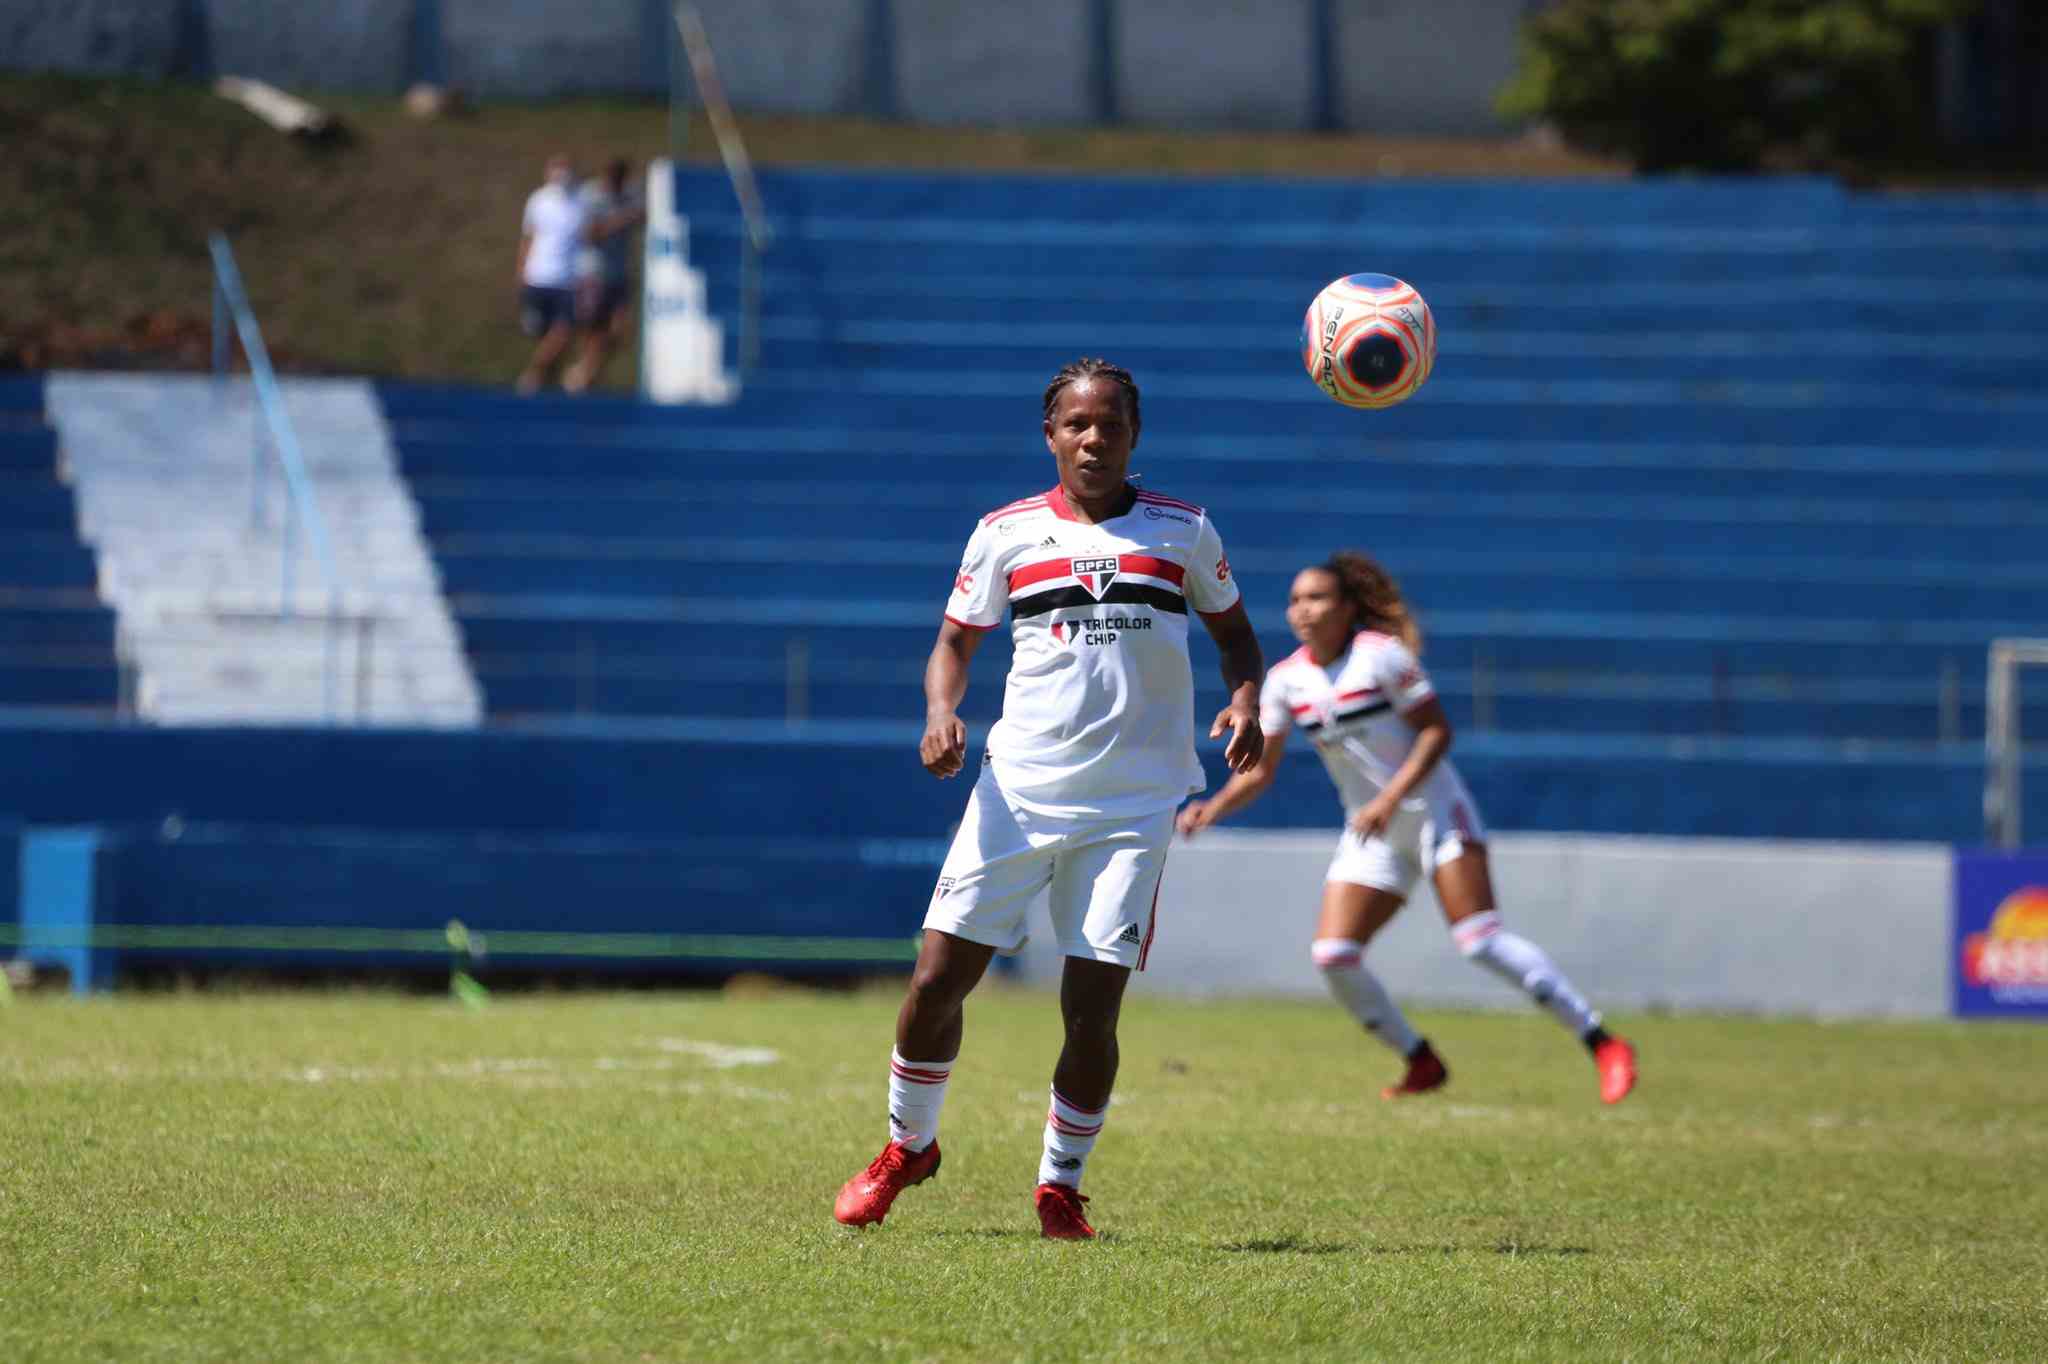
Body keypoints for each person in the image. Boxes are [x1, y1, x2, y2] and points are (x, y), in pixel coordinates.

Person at [833, 358, 1266, 1240]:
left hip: (1135, 804)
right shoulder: (1005, 533)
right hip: (1019, 790)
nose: (1094, 438)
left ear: (1134, 435)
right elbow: (953, 643)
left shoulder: (1185, 533)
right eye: (1076, 424)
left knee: (1091, 1007)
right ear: (1051, 435)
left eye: (1110, 423)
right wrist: (941, 712)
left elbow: (1239, 643)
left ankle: (1059, 1186)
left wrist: (1247, 699)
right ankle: (907, 1147)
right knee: (935, 980)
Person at [1176, 552, 1637, 1105]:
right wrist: (1212, 809)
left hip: (1435, 815)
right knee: (1334, 955)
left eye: (1317, 598)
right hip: (1372, 830)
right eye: (1295, 600)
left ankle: (1603, 1041)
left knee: (1480, 940)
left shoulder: (1382, 657)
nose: (1303, 610)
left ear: (1347, 608)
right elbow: (1262, 772)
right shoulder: (1286, 680)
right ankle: (1421, 1060)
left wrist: (1391, 798)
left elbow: (1436, 734)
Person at [564, 158, 646, 394]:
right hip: (593, 273)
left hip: (619, 273)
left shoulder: (629, 195)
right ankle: (585, 375)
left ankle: (585, 371)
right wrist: (623, 219)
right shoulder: (590, 197)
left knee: (620, 329)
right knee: (594, 329)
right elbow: (590, 235)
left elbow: (644, 213)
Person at [514, 154, 589, 394]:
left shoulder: (581, 202)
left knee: (563, 333)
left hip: (567, 280)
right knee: (542, 334)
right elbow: (528, 237)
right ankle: (548, 383)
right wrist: (521, 269)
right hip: (538, 276)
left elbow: (585, 241)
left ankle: (532, 375)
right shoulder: (538, 200)